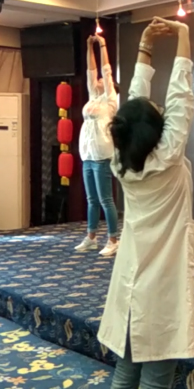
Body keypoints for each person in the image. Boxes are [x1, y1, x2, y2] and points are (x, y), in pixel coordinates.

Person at [98, 17, 194, 389]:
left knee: (124, 380)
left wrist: (145, 47)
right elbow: (180, 98)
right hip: (162, 290)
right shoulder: (168, 158)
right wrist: (183, 36)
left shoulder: (121, 162)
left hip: (129, 281)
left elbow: (134, 112)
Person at [75, 33, 120, 256]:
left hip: (102, 154)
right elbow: (90, 71)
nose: (99, 80)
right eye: (98, 81)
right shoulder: (93, 97)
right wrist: (88, 46)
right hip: (87, 155)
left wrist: (102, 44)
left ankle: (113, 239)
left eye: (103, 81)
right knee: (91, 199)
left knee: (105, 199)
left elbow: (105, 70)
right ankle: (91, 237)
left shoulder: (110, 100)